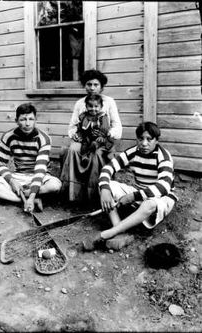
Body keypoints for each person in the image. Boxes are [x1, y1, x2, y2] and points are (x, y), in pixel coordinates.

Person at [82, 121, 178, 251]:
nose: (144, 143)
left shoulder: (163, 157)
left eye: (149, 139)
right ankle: (121, 233)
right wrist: (104, 189)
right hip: (140, 192)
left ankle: (109, 233)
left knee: (149, 204)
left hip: (161, 198)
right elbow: (108, 168)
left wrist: (132, 196)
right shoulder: (133, 152)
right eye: (140, 139)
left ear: (157, 140)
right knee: (108, 185)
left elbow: (164, 187)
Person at [0, 103, 62, 213]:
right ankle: (24, 200)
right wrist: (12, 181)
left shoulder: (44, 138)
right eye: (23, 119)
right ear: (16, 121)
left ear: (36, 120)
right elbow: (0, 165)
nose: (27, 124)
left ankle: (8, 196)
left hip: (39, 177)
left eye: (31, 119)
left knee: (55, 185)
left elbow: (40, 170)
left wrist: (31, 196)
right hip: (18, 176)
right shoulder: (8, 137)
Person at [60, 69, 122, 203]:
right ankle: (74, 195)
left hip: (103, 139)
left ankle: (94, 196)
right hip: (84, 138)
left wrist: (106, 134)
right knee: (73, 149)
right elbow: (72, 125)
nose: (92, 88)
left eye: (96, 84)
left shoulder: (109, 102)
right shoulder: (80, 103)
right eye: (89, 84)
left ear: (101, 86)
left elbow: (117, 126)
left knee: (97, 153)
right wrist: (74, 135)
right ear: (84, 85)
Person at [76, 94, 114, 164]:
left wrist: (101, 136)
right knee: (84, 143)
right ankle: (84, 156)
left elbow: (105, 127)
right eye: (90, 106)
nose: (93, 109)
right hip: (87, 137)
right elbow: (80, 127)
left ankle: (93, 148)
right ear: (86, 106)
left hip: (99, 137)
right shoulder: (84, 116)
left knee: (96, 143)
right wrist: (79, 135)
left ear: (101, 107)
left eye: (96, 106)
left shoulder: (102, 116)